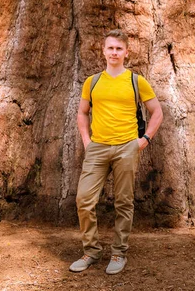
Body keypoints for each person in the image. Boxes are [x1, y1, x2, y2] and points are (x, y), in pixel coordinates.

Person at [69, 29, 163, 275]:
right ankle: (91, 251)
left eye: (118, 48)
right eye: (110, 48)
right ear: (103, 51)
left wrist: (143, 140)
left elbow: (157, 112)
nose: (114, 52)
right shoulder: (92, 82)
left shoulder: (136, 81)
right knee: (84, 200)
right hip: (97, 148)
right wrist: (87, 141)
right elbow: (82, 112)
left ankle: (119, 253)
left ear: (126, 52)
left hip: (126, 148)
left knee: (123, 202)